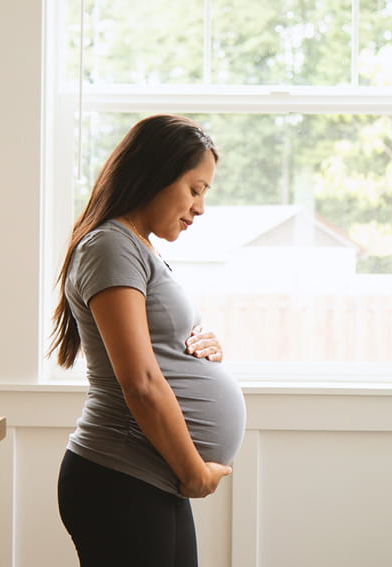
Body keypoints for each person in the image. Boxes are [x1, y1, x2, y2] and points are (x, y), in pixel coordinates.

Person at [49, 114, 246, 566]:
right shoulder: (110, 246)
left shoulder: (134, 246)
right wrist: (193, 471)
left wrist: (203, 351)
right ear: (155, 174)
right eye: (194, 189)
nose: (200, 208)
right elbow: (139, 380)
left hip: (151, 474)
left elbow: (154, 349)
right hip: (121, 477)